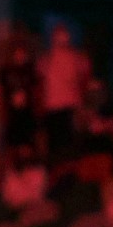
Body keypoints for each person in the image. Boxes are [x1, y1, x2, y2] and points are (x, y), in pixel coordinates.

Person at [37, 23, 91, 160]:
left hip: (67, 106)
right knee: (60, 145)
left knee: (67, 145)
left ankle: (66, 173)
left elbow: (84, 78)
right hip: (55, 107)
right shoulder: (47, 59)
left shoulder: (75, 58)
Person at [0, 35, 41, 154]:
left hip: (27, 111)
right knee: (14, 141)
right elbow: (1, 93)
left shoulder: (29, 69)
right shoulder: (5, 71)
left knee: (27, 139)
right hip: (12, 112)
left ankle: (28, 162)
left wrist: (36, 108)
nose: (20, 55)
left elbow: (35, 89)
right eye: (17, 52)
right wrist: (3, 111)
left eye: (22, 52)